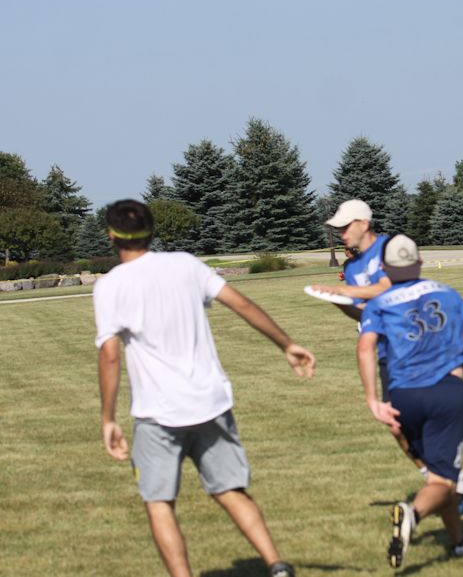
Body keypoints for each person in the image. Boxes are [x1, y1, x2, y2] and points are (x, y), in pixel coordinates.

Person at [93, 199, 315, 577]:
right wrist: (287, 343)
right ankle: (277, 566)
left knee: (159, 501)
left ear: (111, 236)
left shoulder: (111, 285)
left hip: (158, 413)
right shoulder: (185, 264)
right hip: (211, 402)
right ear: (151, 231)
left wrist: (108, 418)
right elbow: (241, 304)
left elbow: (110, 355)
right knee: (229, 491)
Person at [312, 199, 463, 511]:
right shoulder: (353, 267)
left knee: (430, 418)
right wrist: (337, 301)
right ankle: (440, 478)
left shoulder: (390, 248)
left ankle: (448, 481)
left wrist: (343, 291)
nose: (341, 234)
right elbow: (365, 313)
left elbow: (389, 288)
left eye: (345, 227)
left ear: (363, 223)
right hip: (388, 353)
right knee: (396, 425)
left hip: (417, 348)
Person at [356, 234, 463, 569]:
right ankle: (413, 514)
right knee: (443, 481)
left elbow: (365, 348)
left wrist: (373, 400)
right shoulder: (447, 293)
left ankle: (459, 543)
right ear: (419, 261)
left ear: (385, 268)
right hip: (446, 392)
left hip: (403, 395)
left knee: (439, 473)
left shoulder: (379, 302)